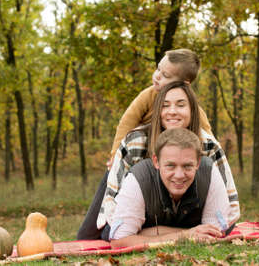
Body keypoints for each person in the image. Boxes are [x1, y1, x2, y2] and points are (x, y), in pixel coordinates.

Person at [77, 81, 239, 240]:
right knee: (94, 235)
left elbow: (226, 197)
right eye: (165, 105)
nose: (172, 111)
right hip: (138, 204)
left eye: (181, 105)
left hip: (187, 209)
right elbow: (115, 203)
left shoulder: (208, 145)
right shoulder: (136, 141)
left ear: (192, 110)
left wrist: (219, 223)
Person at [109, 128, 230, 247]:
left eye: (187, 166)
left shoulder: (209, 172)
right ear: (156, 161)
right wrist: (186, 234)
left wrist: (148, 233)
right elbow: (119, 241)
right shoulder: (138, 178)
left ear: (198, 163)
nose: (179, 175)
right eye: (170, 166)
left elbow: (214, 234)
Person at [107, 49, 212, 167]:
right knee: (110, 177)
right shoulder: (148, 95)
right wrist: (115, 154)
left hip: (171, 154)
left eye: (165, 75)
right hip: (141, 149)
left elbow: (207, 134)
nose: (157, 76)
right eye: (158, 69)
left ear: (184, 83)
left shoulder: (191, 107)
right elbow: (127, 121)